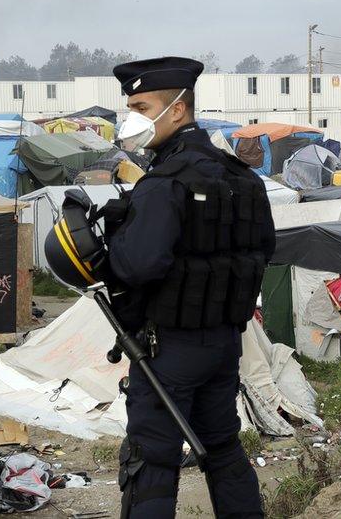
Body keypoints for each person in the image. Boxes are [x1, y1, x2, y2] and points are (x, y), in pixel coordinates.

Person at [106, 57, 271, 518]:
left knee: (152, 459)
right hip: (224, 344)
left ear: (177, 109)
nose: (131, 118)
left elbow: (137, 265)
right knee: (222, 448)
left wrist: (108, 243)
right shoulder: (242, 178)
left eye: (141, 105)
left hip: (167, 349)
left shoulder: (163, 183)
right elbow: (263, 252)